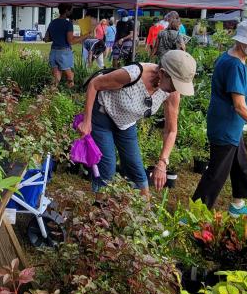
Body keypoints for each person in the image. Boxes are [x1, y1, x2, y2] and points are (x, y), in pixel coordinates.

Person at [77, 50, 197, 200]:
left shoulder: (172, 93)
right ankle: (100, 210)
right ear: (162, 72)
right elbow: (95, 84)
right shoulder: (134, 74)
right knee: (107, 167)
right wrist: (87, 121)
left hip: (126, 123)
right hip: (102, 116)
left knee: (136, 169)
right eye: (175, 83)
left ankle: (143, 214)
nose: (176, 89)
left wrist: (162, 162)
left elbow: (171, 130)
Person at [191, 19, 247, 217]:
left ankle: (238, 205)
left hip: (230, 124)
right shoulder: (234, 65)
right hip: (225, 126)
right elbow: (240, 106)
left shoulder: (233, 58)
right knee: (216, 173)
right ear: (242, 42)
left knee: (241, 164)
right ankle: (195, 214)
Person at [44, 3, 88, 88]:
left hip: (53, 52)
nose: (71, 12)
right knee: (70, 76)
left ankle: (51, 95)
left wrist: (57, 37)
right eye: (70, 10)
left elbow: (46, 39)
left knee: (56, 77)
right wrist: (85, 36)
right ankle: (70, 96)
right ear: (66, 10)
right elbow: (70, 41)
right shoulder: (68, 24)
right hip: (64, 52)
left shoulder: (52, 22)